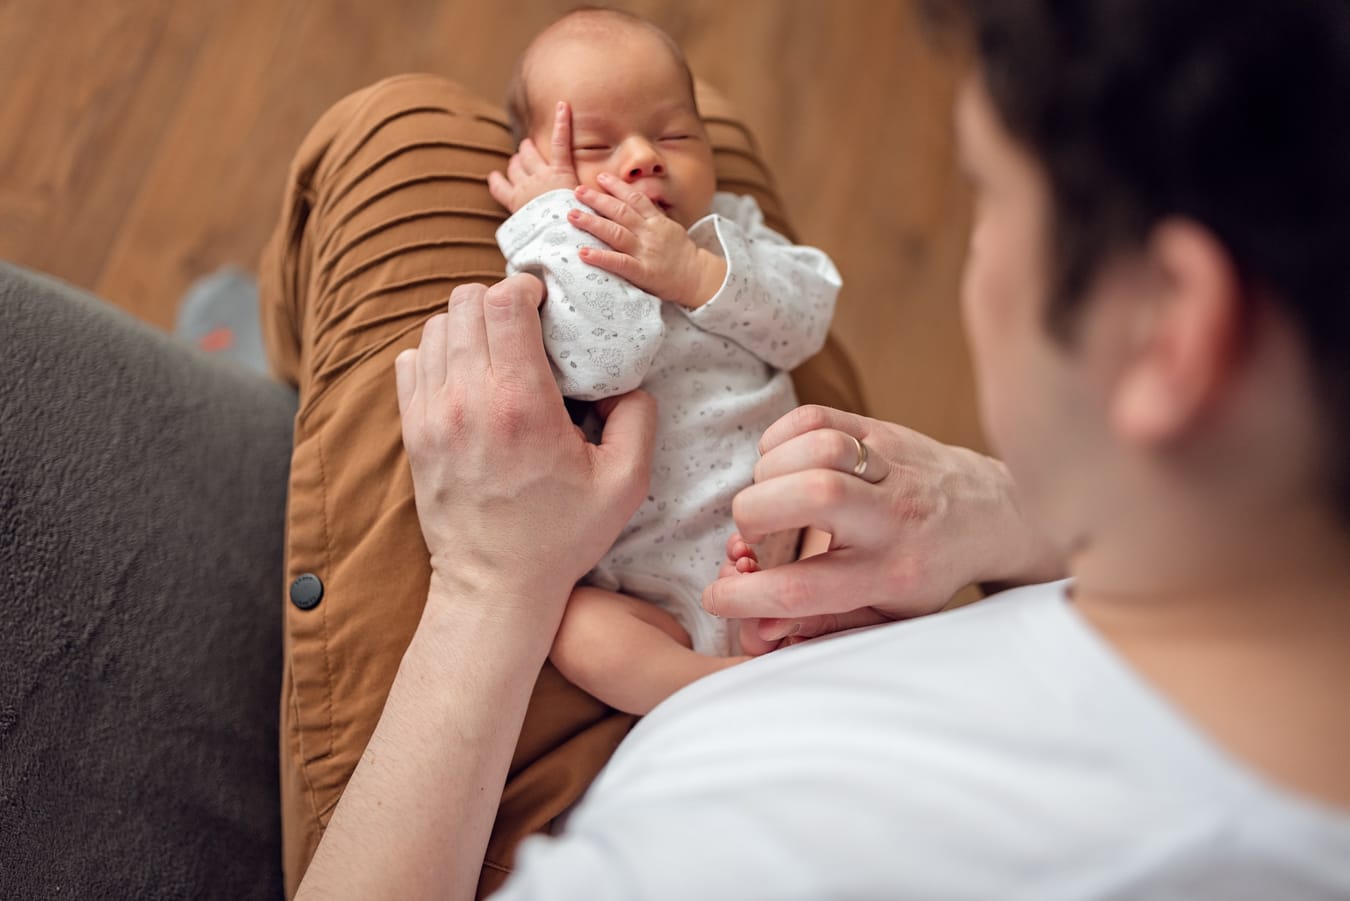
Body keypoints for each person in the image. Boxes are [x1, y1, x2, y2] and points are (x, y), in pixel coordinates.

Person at [295, 0, 1350, 897]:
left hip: (633, 677)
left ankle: (268, 388)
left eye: (986, 196)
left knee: (392, 135)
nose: (975, 249)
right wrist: (1022, 519)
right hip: (784, 547)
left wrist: (486, 585)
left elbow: (757, 316)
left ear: (1171, 330)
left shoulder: (729, 856)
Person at [487, 9, 841, 714]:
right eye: (595, 145)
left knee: (851, 487)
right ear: (547, 176)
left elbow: (809, 318)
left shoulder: (730, 230)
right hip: (657, 588)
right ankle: (720, 693)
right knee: (578, 631)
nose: (645, 156)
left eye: (677, 133)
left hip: (786, 529)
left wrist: (695, 271)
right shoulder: (557, 256)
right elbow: (603, 366)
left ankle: (815, 638)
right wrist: (553, 222)